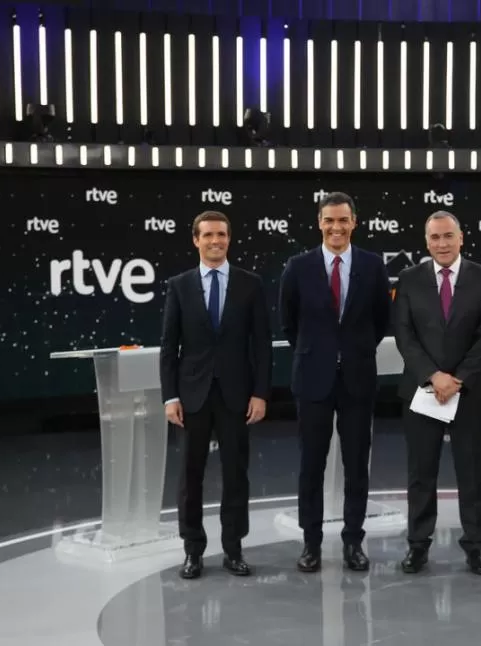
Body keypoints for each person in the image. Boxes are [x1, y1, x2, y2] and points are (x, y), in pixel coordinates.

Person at [278, 191, 391, 573]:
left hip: (358, 379)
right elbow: (290, 324)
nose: (336, 227)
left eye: (343, 220)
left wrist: (352, 352)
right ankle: (310, 543)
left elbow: (380, 320)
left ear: (354, 222)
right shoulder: (298, 266)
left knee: (357, 465)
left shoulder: (373, 266)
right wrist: (321, 353)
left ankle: (353, 543)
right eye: (329, 220)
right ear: (319, 222)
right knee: (311, 465)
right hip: (313, 380)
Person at [160, 210, 272, 579]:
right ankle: (193, 550)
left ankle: (234, 550)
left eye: (221, 234)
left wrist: (260, 393)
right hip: (191, 396)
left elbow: (262, 346)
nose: (215, 241)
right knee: (190, 477)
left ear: (229, 238)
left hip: (237, 396)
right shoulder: (179, 285)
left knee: (236, 475)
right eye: (207, 235)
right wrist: (169, 396)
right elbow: (169, 347)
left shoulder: (250, 284)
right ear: (196, 239)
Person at [393, 211, 481, 575]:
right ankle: (418, 546)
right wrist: (433, 375)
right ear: (427, 242)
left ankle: (474, 546)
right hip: (422, 390)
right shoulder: (409, 279)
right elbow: (404, 336)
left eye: (448, 236)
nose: (442, 244)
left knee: (471, 472)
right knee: (421, 473)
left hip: (469, 392)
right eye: (435, 237)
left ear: (461, 238)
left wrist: (458, 379)